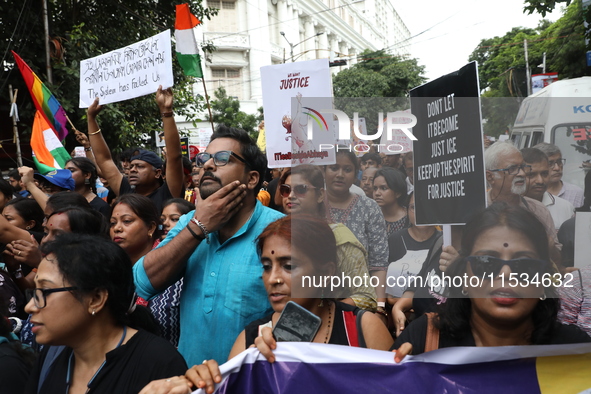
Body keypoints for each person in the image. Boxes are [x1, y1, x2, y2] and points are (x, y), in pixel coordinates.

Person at [140, 215, 394, 394]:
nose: (273, 279)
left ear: (326, 272)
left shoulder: (362, 328)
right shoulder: (251, 341)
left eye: (289, 266)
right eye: (266, 266)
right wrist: (205, 385)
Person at [133, 125, 284, 366]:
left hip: (252, 381)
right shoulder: (189, 222)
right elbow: (141, 282)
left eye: (223, 159)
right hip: (192, 381)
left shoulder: (280, 231)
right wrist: (199, 226)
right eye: (204, 159)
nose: (208, 166)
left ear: (252, 178)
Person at [393, 203, 591, 359]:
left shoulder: (574, 352)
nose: (505, 274)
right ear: (464, 276)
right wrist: (398, 378)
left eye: (523, 265)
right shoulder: (426, 339)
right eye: (486, 263)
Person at [24, 233, 187, 393]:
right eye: (35, 292)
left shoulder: (159, 363)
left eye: (45, 291)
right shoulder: (52, 355)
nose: (30, 307)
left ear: (96, 299)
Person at [280, 165, 377, 311]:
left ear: (320, 195)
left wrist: (324, 313)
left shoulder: (338, 237)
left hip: (330, 328)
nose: (291, 196)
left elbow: (366, 297)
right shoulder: (278, 236)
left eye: (301, 190)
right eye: (286, 190)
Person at [85, 86, 184, 213]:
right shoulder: (126, 190)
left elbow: (175, 157)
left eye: (140, 166)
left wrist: (166, 111)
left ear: (158, 173)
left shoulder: (168, 193)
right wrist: (91, 118)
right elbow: (104, 160)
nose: (132, 170)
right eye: (131, 166)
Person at [324, 150, 389, 318]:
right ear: (324, 171)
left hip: (359, 304)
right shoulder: (311, 203)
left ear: (355, 175)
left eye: (347, 169)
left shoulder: (369, 208)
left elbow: (378, 263)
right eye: (334, 168)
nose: (340, 174)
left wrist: (379, 308)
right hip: (315, 301)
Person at [111, 194, 182, 346]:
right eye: (113, 223)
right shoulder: (109, 271)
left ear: (150, 228)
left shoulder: (174, 270)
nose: (117, 228)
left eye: (127, 221)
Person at [484, 142, 560, 255]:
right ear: (490, 176)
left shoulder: (538, 210)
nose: (522, 174)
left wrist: (547, 245)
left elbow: (556, 258)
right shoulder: (477, 209)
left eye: (523, 167)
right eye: (512, 168)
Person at [386, 192, 441, 303]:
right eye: (414, 207)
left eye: (426, 207)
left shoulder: (443, 242)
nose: (421, 212)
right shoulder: (394, 239)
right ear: (407, 211)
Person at [521, 148, 574, 231]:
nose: (540, 181)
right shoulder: (508, 207)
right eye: (531, 175)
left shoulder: (565, 207)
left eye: (544, 174)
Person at [533, 142, 584, 208]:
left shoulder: (576, 193)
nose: (557, 168)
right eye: (550, 163)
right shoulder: (531, 193)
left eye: (559, 162)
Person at [373, 167, 409, 237]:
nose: (377, 193)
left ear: (398, 193)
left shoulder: (410, 218)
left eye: (383, 188)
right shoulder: (372, 216)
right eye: (375, 188)